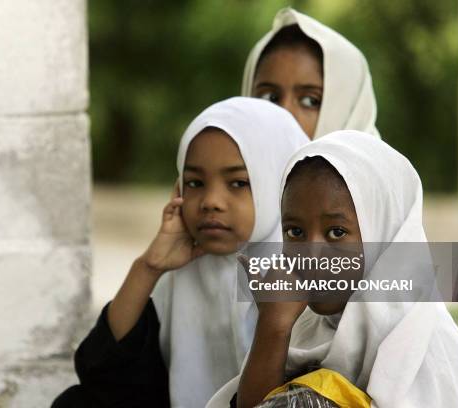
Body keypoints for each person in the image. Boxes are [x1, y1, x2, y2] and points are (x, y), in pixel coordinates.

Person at [52, 97, 309, 408]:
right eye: (195, 182)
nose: (211, 201)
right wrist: (148, 268)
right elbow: (103, 374)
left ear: (283, 184)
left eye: (239, 182)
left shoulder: (308, 272)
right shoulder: (184, 274)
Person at [207, 131, 458, 408]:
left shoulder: (427, 348)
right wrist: (273, 328)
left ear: (384, 233)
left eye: (336, 232)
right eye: (295, 231)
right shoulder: (299, 330)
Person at [243, 8, 379, 139]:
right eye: (270, 98)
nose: (284, 116)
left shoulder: (383, 163)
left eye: (310, 101)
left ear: (349, 112)